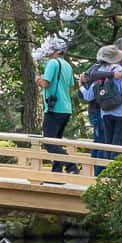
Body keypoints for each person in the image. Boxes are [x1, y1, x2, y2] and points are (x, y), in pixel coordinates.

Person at [38, 39, 75, 171]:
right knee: (56, 142)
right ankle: (56, 175)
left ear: (54, 51)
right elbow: (71, 88)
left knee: (48, 142)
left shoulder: (52, 63)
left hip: (54, 108)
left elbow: (45, 83)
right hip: (66, 108)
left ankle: (71, 165)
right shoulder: (68, 65)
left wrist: (38, 79)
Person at [93, 44, 122, 148]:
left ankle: (109, 164)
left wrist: (81, 85)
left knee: (109, 145)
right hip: (121, 113)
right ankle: (115, 164)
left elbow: (89, 94)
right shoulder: (120, 70)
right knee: (120, 147)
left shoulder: (99, 71)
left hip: (105, 112)